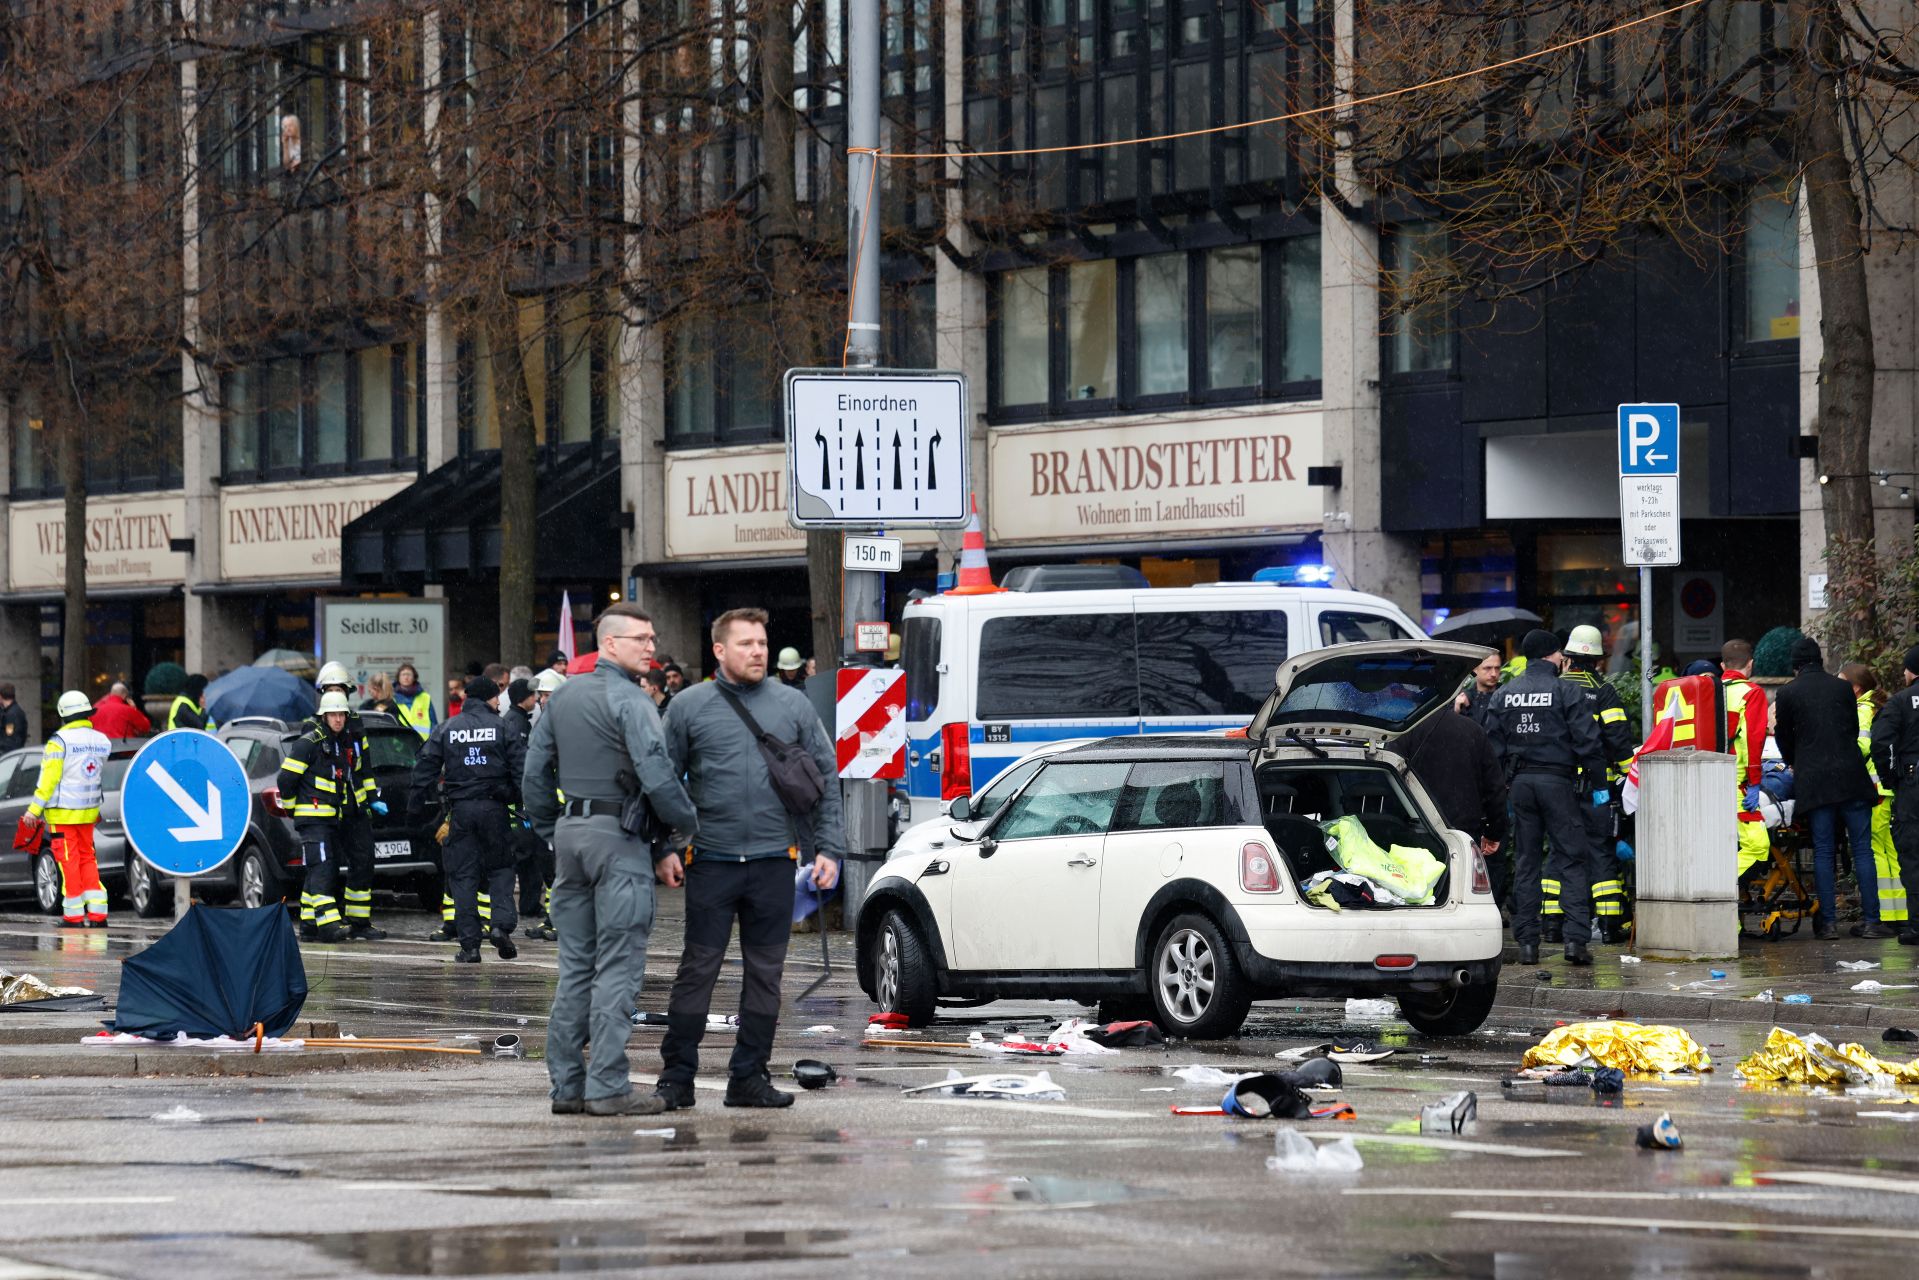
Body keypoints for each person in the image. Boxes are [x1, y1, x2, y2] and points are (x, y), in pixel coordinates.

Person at [654, 607, 845, 1111]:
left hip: (774, 862)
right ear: (719, 650)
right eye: (746, 644)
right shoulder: (688, 706)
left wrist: (829, 849)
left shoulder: (794, 705)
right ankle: (676, 1079)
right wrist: (665, 847)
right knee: (698, 970)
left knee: (766, 975)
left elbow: (825, 780)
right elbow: (660, 781)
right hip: (710, 860)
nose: (758, 651)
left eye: (762, 642)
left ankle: (748, 1078)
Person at [523, 604, 697, 1116]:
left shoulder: (563, 697)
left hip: (571, 838)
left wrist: (551, 829)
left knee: (575, 968)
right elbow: (659, 777)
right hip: (619, 842)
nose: (651, 647)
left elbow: (535, 773)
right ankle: (607, 1087)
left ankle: (567, 1088)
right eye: (641, 639)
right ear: (610, 644)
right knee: (618, 968)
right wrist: (684, 830)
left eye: (653, 637)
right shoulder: (633, 700)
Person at [1485, 629, 1605, 966]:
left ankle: (1527, 945)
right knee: (1571, 858)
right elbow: (1589, 742)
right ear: (1556, 656)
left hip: (1520, 785)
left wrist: (1501, 787)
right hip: (1558, 783)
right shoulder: (1565, 689)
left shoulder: (1504, 694)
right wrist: (1600, 786)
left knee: (1526, 862)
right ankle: (1575, 942)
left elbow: (1491, 749)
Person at [1774, 638, 1884, 940]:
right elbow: (1849, 727)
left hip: (1815, 780)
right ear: (1820, 660)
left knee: (1823, 850)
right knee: (1862, 849)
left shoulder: (1787, 693)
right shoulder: (1841, 688)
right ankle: (1872, 921)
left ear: (1795, 666)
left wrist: (1794, 761)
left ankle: (1829, 924)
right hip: (1851, 776)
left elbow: (1783, 735)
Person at [412, 676, 523, 963]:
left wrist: (418, 810)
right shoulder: (502, 727)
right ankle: (500, 926)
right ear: (487, 698)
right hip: (495, 810)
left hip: (460, 812)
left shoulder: (448, 728)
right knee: (500, 870)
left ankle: (470, 947)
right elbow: (523, 769)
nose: (500, 701)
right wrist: (522, 801)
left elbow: (424, 767)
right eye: (497, 696)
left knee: (463, 878)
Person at [1556, 625, 1636, 944]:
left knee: (1562, 852)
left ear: (1569, 657)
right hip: (1593, 784)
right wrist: (1627, 775)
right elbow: (1617, 738)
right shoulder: (1602, 690)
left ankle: (1559, 921)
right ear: (1598, 660)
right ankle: (1608, 923)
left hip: (1557, 784)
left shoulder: (1554, 689)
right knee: (1600, 850)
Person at [279, 691, 376, 943]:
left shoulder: (339, 743)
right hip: (313, 819)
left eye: (341, 714)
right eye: (332, 714)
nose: (338, 719)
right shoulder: (309, 743)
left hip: (331, 819)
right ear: (323, 716)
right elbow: (286, 779)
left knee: (321, 867)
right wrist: (292, 808)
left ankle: (310, 924)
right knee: (323, 868)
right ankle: (329, 925)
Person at [1394, 691, 1509, 903]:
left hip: (1414, 831)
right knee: (1460, 899)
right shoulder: (1473, 731)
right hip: (1464, 833)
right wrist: (1494, 833)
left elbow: (1388, 784)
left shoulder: (1403, 733)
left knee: (1415, 898)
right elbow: (1495, 788)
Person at [19, 691, 111, 927]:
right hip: (89, 811)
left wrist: (33, 810)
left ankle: (73, 916)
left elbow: (48, 780)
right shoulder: (101, 740)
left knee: (68, 861)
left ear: (63, 715)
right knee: (88, 858)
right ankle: (98, 914)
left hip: (63, 812)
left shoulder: (59, 742)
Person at [311, 662, 387, 940]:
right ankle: (315, 924)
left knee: (364, 861)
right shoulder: (315, 725)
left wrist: (370, 798)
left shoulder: (354, 724)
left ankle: (359, 921)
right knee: (324, 866)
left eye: (340, 689)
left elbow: (364, 767)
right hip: (328, 810)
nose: (336, 694)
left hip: (354, 808)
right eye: (331, 689)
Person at [1845, 663, 1907, 929]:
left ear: (1856, 687)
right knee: (1889, 849)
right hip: (1886, 787)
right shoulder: (1880, 707)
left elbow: (1862, 746)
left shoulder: (1862, 710)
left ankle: (1883, 914)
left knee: (1875, 850)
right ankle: (1900, 912)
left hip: (1873, 789)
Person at [1867, 645, 1919, 946]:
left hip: (1913, 783)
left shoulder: (1900, 702)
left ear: (1911, 671)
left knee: (1912, 853)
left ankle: (1916, 925)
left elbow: (1881, 742)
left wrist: (1891, 778)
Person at [503, 678, 554, 940]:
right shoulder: (517, 723)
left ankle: (539, 910)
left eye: (542, 694)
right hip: (525, 806)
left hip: (534, 805)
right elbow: (522, 767)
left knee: (538, 859)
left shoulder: (522, 721)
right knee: (530, 857)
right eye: (535, 695)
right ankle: (533, 907)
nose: (538, 699)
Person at [1721, 639, 1772, 880]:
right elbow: (1752, 740)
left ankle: (1731, 917)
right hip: (1737, 784)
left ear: (1723, 666)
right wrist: (1754, 781)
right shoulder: (1751, 694)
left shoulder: (1709, 691)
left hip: (1708, 778)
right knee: (1757, 847)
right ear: (1750, 665)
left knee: (1721, 848)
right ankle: (1717, 885)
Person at [1454, 651, 1502, 730]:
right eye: (1488, 668)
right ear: (1475, 669)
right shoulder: (1463, 697)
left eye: (1497, 668)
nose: (1494, 674)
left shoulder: (1506, 696)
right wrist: (1456, 712)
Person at [394, 663, 436, 738]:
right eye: (403, 674)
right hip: (399, 744)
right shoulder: (392, 698)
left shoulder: (425, 697)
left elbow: (433, 723)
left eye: (409, 674)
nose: (406, 677)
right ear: (398, 678)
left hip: (423, 743)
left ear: (414, 677)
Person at [0, 682, 32, 749]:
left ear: (1, 696)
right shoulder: (13, 711)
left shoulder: (11, 715)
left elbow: (9, 739)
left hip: (9, 755)